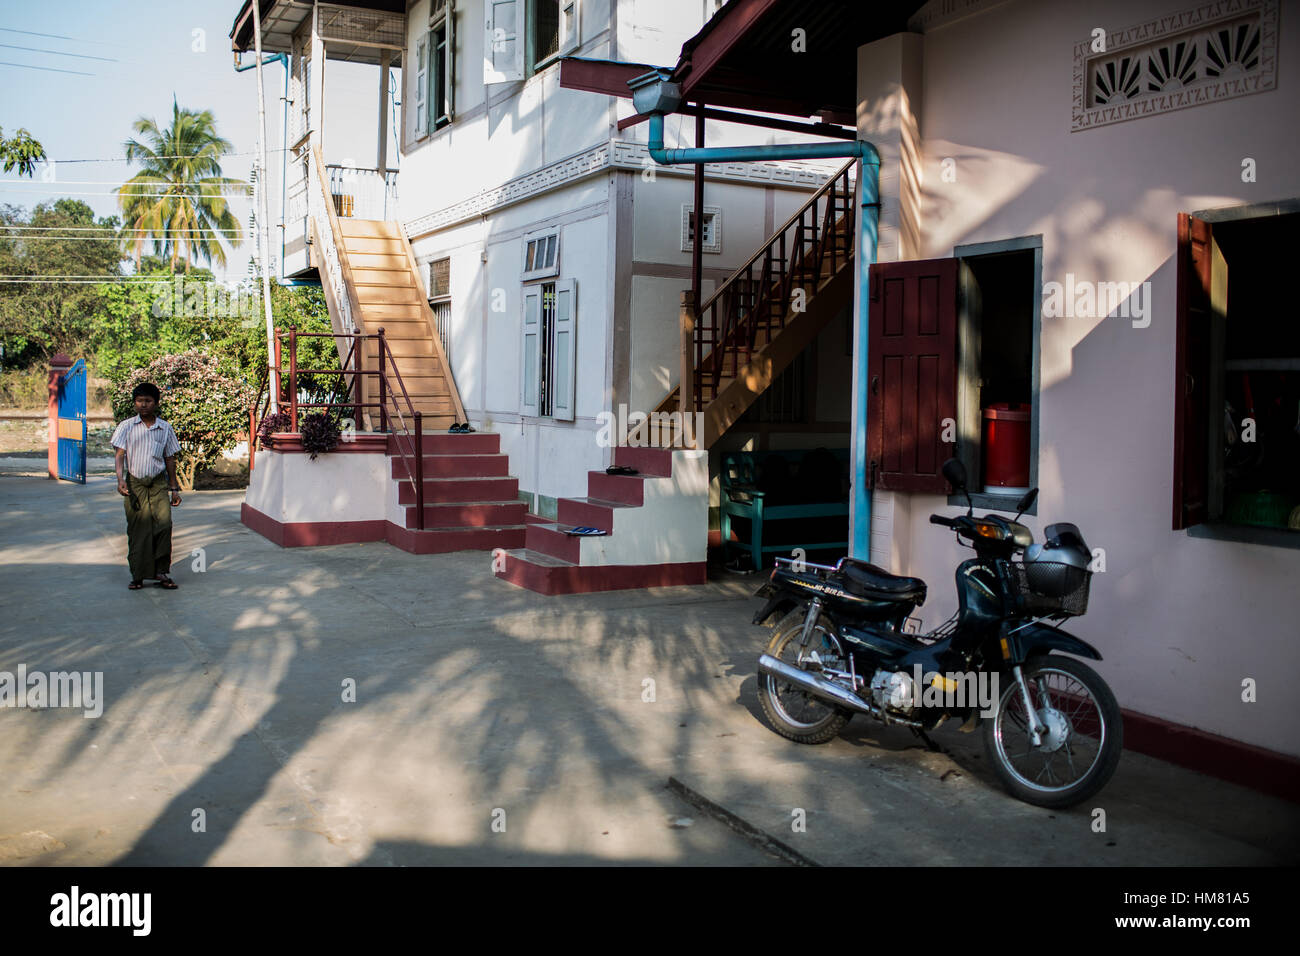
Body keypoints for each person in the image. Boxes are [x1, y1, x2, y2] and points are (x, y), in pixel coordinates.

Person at [111, 382, 183, 590]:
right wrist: (120, 479)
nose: (143, 405)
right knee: (138, 529)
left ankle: (161, 572)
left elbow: (170, 458)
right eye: (139, 401)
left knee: (164, 525)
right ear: (134, 403)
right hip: (135, 484)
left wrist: (174, 488)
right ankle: (138, 575)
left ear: (156, 403)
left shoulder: (165, 428)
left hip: (159, 483)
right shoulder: (126, 426)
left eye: (148, 401)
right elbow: (120, 454)